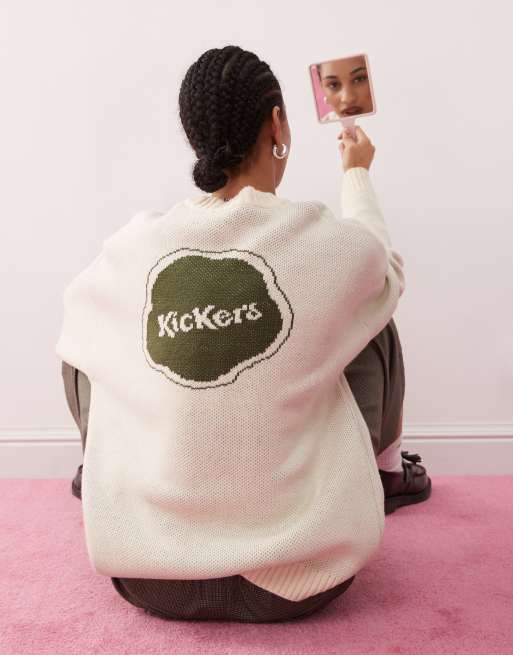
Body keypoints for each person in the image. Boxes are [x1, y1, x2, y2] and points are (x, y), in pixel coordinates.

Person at [57, 45, 431, 624]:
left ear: (195, 137)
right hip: (304, 574)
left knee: (88, 333)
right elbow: (383, 268)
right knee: (371, 304)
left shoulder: (135, 244)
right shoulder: (317, 240)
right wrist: (356, 172)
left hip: (150, 575)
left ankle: (110, 477)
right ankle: (388, 475)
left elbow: (77, 333)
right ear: (278, 123)